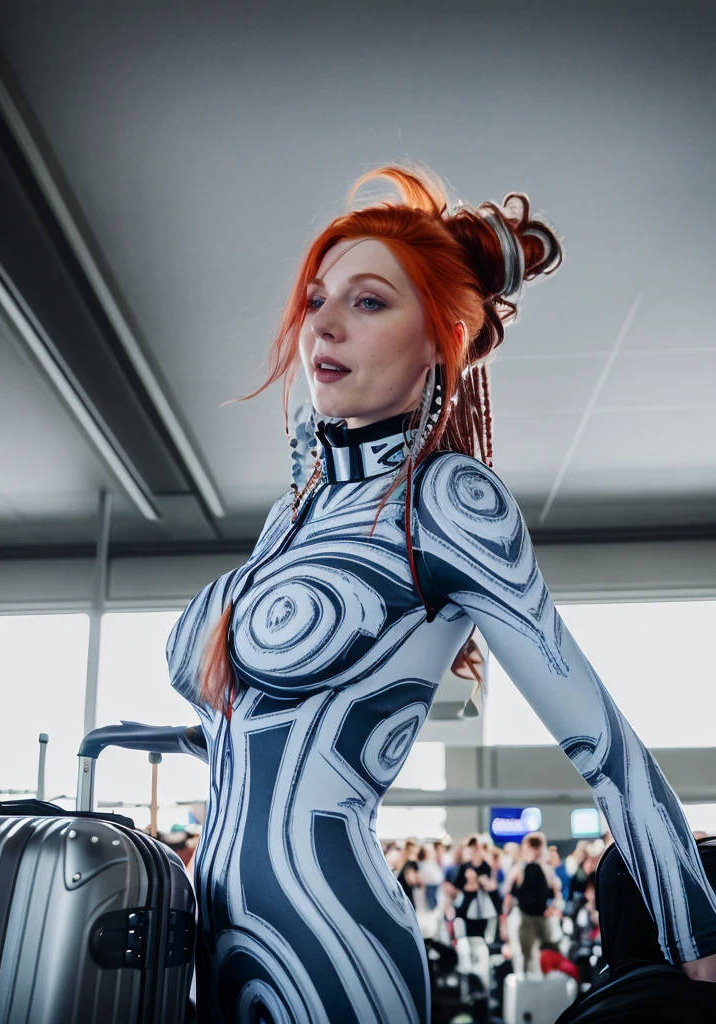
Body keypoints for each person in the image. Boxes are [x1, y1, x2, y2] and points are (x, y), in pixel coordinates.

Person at [165, 163, 716, 1023]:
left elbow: (600, 739)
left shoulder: (450, 502)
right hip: (204, 941)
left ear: (440, 341)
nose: (326, 325)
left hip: (333, 945)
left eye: (370, 301)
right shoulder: (292, 513)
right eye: (316, 299)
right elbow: (269, 732)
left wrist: (693, 927)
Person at [503, 831, 561, 974]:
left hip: (542, 917)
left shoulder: (546, 870)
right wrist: (503, 922)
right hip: (525, 917)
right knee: (524, 955)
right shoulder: (519, 869)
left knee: (549, 951)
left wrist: (554, 908)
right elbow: (509, 894)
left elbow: (556, 894)